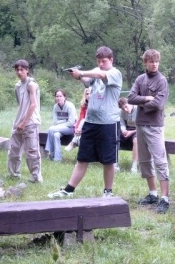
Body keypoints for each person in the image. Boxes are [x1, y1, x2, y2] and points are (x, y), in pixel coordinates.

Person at [48, 46, 122, 199]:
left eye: (104, 61)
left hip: (109, 124)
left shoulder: (115, 73)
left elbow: (100, 74)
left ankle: (108, 191)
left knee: (108, 160)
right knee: (82, 158)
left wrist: (82, 72)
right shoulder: (96, 71)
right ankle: (69, 190)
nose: (101, 64)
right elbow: (87, 79)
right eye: (99, 61)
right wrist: (76, 74)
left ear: (111, 60)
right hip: (90, 122)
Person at [128, 49, 170, 214]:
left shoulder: (162, 81)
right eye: (151, 61)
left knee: (160, 161)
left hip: (155, 126)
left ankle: (165, 198)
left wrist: (142, 103)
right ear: (145, 62)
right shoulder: (140, 79)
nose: (154, 64)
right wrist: (146, 98)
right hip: (140, 124)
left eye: (156, 61)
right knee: (144, 161)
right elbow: (130, 98)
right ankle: (152, 193)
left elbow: (158, 104)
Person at [7, 59, 43, 183]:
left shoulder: (31, 84)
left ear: (27, 70)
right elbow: (21, 105)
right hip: (19, 122)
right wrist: (19, 122)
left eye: (22, 69)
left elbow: (33, 105)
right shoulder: (17, 86)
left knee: (32, 151)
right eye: (17, 69)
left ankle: (36, 177)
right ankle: (13, 174)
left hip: (31, 122)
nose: (19, 72)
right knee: (13, 150)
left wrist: (24, 122)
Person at [45, 89, 77, 161]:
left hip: (71, 129)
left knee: (51, 129)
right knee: (56, 135)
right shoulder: (55, 107)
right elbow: (55, 122)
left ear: (64, 97)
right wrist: (64, 121)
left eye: (60, 96)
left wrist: (61, 123)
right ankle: (57, 158)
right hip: (60, 128)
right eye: (57, 96)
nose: (58, 98)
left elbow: (71, 123)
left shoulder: (70, 106)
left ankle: (50, 152)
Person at [65, 87, 91, 152]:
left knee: (83, 122)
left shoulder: (96, 105)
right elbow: (81, 117)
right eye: (87, 94)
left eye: (90, 94)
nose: (88, 96)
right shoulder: (84, 105)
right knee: (82, 122)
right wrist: (76, 129)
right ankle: (75, 141)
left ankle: (73, 142)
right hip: (84, 126)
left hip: (93, 125)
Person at [118, 97, 138, 173]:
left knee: (136, 140)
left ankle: (134, 166)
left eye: (126, 106)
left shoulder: (138, 109)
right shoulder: (121, 112)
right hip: (127, 130)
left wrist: (131, 132)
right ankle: (114, 164)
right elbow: (122, 124)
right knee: (114, 137)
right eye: (123, 109)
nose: (125, 110)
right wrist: (123, 130)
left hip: (137, 131)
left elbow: (142, 127)